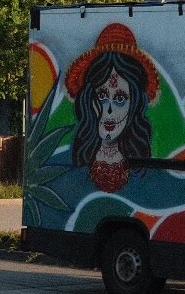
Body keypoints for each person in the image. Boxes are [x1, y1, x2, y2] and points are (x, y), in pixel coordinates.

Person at [66, 23, 158, 193]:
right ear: (88, 100)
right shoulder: (67, 165)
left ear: (134, 104)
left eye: (120, 98)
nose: (108, 110)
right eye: (101, 96)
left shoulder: (145, 171)